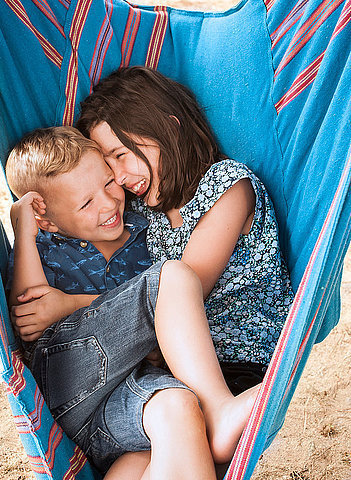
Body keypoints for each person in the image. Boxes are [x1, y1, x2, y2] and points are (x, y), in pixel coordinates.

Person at [6, 125, 258, 479]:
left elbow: (163, 321)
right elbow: (32, 315)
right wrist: (25, 235)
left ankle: (202, 418)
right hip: (70, 381)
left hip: (118, 412)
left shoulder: (145, 230)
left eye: (108, 183)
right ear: (46, 219)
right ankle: (220, 409)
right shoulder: (45, 246)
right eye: (86, 203)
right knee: (173, 276)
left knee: (179, 410)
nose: (109, 203)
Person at [77, 65, 294, 396]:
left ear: (169, 128)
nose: (119, 177)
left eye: (121, 155)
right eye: (110, 166)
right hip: (170, 371)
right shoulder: (143, 208)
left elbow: (182, 291)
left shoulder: (228, 187)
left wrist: (68, 304)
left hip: (238, 367)